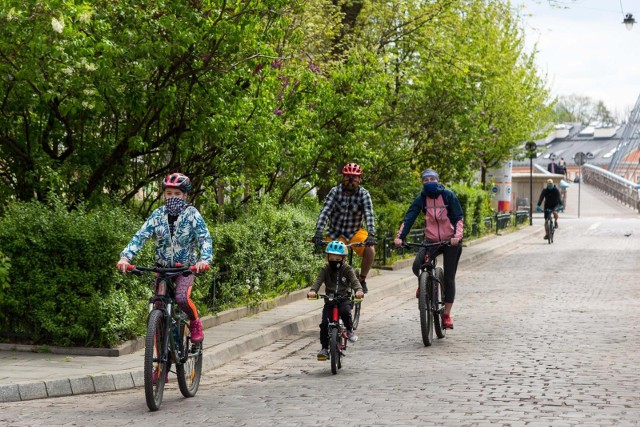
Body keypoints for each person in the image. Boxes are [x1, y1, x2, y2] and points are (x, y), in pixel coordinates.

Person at [116, 172, 212, 344]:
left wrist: (204, 260)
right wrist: (125, 257)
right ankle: (161, 366)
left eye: (177, 194)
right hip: (162, 268)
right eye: (169, 193)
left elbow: (204, 237)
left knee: (182, 298)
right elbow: (140, 236)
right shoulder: (158, 215)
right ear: (164, 194)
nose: (172, 197)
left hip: (185, 269)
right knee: (158, 307)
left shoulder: (192, 214)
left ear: (185, 195)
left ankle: (195, 322)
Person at [393, 169, 463, 330]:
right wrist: (400, 237)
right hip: (431, 240)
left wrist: (457, 237)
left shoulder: (448, 195)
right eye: (426, 180)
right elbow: (409, 217)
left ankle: (446, 314)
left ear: (438, 181)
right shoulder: (421, 199)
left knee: (449, 277)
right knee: (417, 265)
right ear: (422, 182)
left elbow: (459, 217)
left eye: (432, 179)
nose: (429, 182)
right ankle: (424, 284)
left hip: (450, 240)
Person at [313, 163, 376, 293]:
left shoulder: (364, 194)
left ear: (360, 179)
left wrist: (371, 234)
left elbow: (368, 214)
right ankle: (332, 284)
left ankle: (361, 279)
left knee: (370, 250)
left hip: (354, 232)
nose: (351, 180)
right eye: (348, 176)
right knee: (333, 258)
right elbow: (325, 212)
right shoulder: (335, 192)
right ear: (343, 177)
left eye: (354, 177)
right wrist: (318, 231)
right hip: (335, 233)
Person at [307, 240, 364, 361]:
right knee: (324, 324)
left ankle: (349, 331)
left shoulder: (347, 269)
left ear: (343, 259)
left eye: (337, 260)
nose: (334, 262)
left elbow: (354, 281)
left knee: (345, 312)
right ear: (328, 257)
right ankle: (324, 348)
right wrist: (313, 291)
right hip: (330, 299)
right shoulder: (326, 269)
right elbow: (318, 280)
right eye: (331, 259)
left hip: (344, 298)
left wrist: (358, 290)